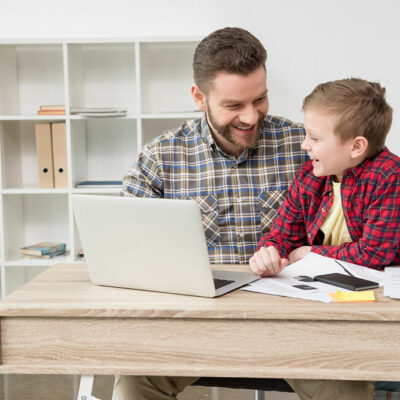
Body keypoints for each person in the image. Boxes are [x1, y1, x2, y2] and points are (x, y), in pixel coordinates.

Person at [118, 28, 373, 400]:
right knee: (133, 382)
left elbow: (367, 213)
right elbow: (123, 243)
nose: (251, 117)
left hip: (298, 323)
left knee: (347, 387)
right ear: (198, 97)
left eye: (260, 99)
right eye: (234, 106)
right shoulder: (162, 156)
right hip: (195, 324)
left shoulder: (307, 145)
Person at [250, 77, 400, 400]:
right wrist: (269, 252)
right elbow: (280, 235)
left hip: (376, 314)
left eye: (314, 137)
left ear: (356, 147)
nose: (305, 145)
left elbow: (376, 254)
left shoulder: (389, 176)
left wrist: (310, 255)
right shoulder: (309, 176)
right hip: (323, 310)